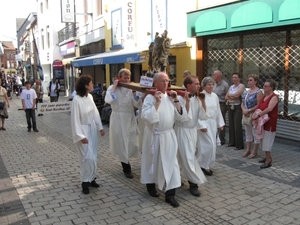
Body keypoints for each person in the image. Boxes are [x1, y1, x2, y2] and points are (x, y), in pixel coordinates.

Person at [141, 72, 187, 208]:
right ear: (155, 83)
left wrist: (176, 100)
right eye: (162, 81)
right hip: (153, 135)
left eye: (167, 81)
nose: (166, 83)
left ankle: (170, 194)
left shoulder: (171, 97)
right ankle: (150, 186)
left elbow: (180, 117)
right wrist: (157, 102)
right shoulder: (150, 98)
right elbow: (147, 117)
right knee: (152, 161)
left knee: (171, 163)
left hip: (168, 135)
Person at [104, 68, 143, 179]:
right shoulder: (112, 88)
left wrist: (135, 93)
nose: (127, 79)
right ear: (119, 78)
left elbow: (138, 104)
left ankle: (128, 159)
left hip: (129, 117)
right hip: (118, 118)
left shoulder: (131, 89)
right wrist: (115, 86)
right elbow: (108, 100)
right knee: (121, 143)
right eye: (124, 77)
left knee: (133, 141)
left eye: (128, 77)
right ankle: (126, 167)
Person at [71, 75, 105, 194]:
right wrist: (80, 136)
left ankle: (92, 178)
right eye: (91, 84)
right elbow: (75, 119)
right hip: (83, 131)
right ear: (86, 86)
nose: (93, 86)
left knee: (93, 155)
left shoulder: (90, 96)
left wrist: (100, 127)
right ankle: (84, 182)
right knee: (86, 157)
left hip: (92, 130)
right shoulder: (76, 100)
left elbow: (95, 112)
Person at [174, 75, 208, 197]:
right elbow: (182, 117)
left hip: (192, 131)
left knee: (185, 156)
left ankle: (177, 178)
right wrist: (187, 101)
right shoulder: (179, 98)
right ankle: (194, 183)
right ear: (188, 86)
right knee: (188, 157)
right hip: (182, 130)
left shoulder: (198, 98)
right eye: (197, 84)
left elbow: (203, 116)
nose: (199, 86)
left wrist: (203, 101)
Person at [196, 77, 225, 176]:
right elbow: (198, 112)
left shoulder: (215, 96)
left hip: (212, 123)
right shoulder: (200, 96)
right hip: (204, 123)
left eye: (212, 84)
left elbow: (218, 110)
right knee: (207, 145)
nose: (211, 86)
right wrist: (201, 125)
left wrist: (220, 123)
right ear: (204, 85)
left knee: (212, 147)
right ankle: (202, 165)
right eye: (208, 84)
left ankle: (207, 164)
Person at [252, 79, 278, 169]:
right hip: (262, 122)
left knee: (267, 141)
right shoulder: (264, 96)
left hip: (269, 122)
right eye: (264, 86)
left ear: (271, 88)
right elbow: (260, 106)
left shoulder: (274, 97)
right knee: (262, 139)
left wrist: (259, 115)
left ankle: (268, 160)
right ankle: (267, 156)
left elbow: (269, 109)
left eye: (266, 86)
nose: (264, 87)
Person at [241, 74, 263, 158]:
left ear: (256, 81)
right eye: (248, 80)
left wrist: (249, 110)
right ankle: (248, 149)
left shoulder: (258, 92)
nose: (249, 82)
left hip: (253, 114)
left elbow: (259, 105)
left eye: (251, 80)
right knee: (247, 132)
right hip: (246, 114)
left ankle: (254, 151)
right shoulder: (246, 91)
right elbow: (242, 102)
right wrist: (243, 110)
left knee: (255, 133)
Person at [225, 73, 245, 150]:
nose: (234, 79)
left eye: (236, 77)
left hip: (237, 106)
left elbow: (237, 95)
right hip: (230, 105)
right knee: (231, 125)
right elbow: (226, 97)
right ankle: (231, 142)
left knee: (237, 125)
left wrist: (231, 96)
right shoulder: (231, 87)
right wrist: (231, 97)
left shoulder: (241, 86)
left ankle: (239, 144)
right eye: (233, 77)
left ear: (239, 78)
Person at [212, 70, 229, 145]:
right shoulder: (214, 84)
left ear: (218, 76)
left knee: (221, 121)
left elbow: (227, 96)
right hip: (213, 104)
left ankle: (222, 139)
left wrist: (226, 106)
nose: (213, 76)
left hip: (221, 104)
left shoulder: (225, 85)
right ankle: (214, 137)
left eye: (214, 75)